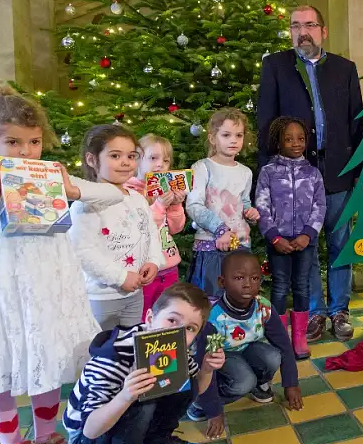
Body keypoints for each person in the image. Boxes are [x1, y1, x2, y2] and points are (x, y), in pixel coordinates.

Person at [0, 83, 124, 444]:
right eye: (12, 143)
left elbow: (112, 195)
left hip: (47, 284)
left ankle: (47, 436)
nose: (25, 152)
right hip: (7, 288)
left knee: (49, 355)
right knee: (4, 357)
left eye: (33, 142)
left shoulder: (52, 172)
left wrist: (69, 188)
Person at [257, 5, 363, 342]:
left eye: (310, 24)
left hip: (337, 175)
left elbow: (356, 123)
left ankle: (340, 311)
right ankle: (315, 312)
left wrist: (360, 174)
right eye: (295, 25)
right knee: (306, 249)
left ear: (323, 30)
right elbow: (266, 122)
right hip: (293, 180)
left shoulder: (345, 69)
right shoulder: (276, 66)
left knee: (339, 245)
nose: (302, 31)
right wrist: (268, 173)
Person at [63, 283, 225, 444]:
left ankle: (154, 443)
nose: (179, 332)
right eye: (172, 320)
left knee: (185, 382)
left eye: (190, 328)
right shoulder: (113, 359)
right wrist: (124, 397)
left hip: (119, 424)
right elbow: (90, 430)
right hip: (86, 441)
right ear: (150, 318)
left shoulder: (175, 350)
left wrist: (206, 370)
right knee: (142, 399)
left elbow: (196, 389)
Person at [188, 251, 303, 440]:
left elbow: (283, 345)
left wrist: (291, 384)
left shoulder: (263, 308)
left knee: (273, 356)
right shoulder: (214, 317)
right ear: (222, 282)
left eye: (255, 278)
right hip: (220, 358)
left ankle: (259, 385)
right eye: (239, 277)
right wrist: (213, 410)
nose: (248, 283)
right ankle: (199, 401)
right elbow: (209, 363)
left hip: (245, 350)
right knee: (243, 381)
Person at [69, 124, 167, 331]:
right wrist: (121, 277)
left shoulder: (138, 200)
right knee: (100, 354)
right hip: (101, 298)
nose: (125, 163)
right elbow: (83, 252)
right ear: (92, 159)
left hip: (134, 295)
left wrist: (153, 261)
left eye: (131, 156)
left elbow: (151, 234)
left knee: (129, 352)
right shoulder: (85, 204)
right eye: (115, 156)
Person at [255, 117, 325, 359]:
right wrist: (274, 237)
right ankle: (279, 338)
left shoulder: (313, 173)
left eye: (301, 139)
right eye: (288, 139)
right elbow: (261, 206)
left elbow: (320, 206)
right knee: (280, 287)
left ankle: (299, 338)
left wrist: (308, 234)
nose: (296, 144)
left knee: (302, 286)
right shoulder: (268, 173)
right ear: (278, 142)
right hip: (279, 242)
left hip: (305, 242)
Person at [187, 109, 260, 297]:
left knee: (238, 298)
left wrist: (249, 212)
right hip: (211, 246)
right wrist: (221, 230)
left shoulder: (245, 172)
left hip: (241, 246)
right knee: (212, 300)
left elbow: (243, 201)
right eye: (226, 135)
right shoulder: (202, 167)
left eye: (238, 135)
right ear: (212, 138)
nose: (233, 140)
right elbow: (194, 206)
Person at [126, 134, 187, 320]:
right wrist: (160, 205)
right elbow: (143, 227)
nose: (160, 164)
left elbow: (176, 228)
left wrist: (175, 204)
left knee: (167, 314)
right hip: (144, 269)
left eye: (166, 160)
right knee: (144, 317)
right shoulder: (130, 190)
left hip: (169, 267)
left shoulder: (165, 188)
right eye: (153, 158)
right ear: (137, 160)